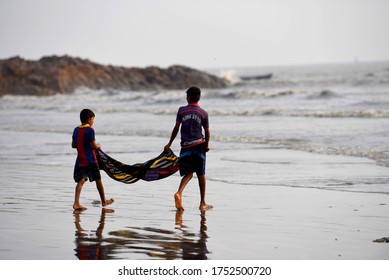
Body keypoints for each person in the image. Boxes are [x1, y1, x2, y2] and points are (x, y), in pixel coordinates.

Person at [164, 86, 212, 211]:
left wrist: (169, 143)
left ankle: (179, 193)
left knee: (188, 173)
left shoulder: (182, 110)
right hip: (199, 146)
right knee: (201, 173)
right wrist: (206, 146)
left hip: (185, 146)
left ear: (188, 97)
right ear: (199, 98)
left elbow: (176, 128)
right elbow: (207, 132)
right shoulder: (203, 113)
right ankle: (202, 203)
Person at [72, 109, 114, 210]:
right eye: (93, 119)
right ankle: (104, 201)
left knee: (81, 181)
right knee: (98, 180)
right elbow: (93, 145)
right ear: (89, 119)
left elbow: (73, 145)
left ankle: (76, 203)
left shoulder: (76, 130)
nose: (93, 121)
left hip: (80, 160)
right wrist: (98, 145)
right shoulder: (90, 130)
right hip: (90, 160)